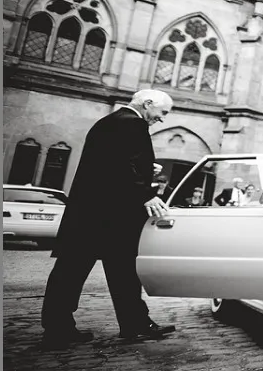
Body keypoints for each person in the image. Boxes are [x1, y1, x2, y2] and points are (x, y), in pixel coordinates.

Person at [40, 89, 178, 347]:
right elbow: (122, 166)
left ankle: (57, 328)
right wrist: (145, 195)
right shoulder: (134, 124)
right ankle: (134, 324)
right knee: (124, 273)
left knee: (70, 272)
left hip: (88, 213)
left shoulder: (108, 122)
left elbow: (110, 163)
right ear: (147, 103)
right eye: (162, 112)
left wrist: (146, 169)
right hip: (114, 217)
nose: (161, 118)